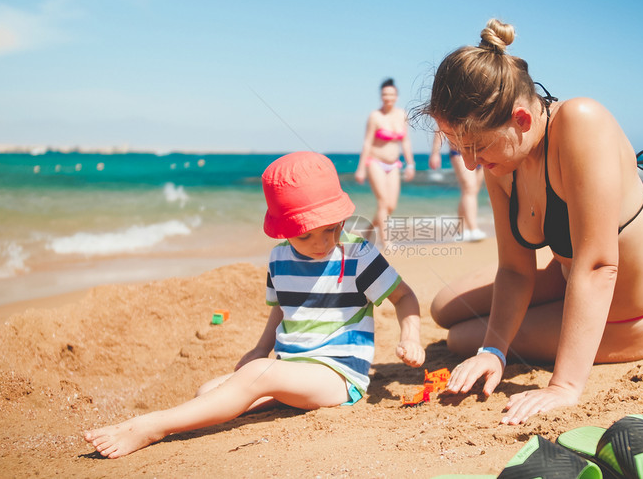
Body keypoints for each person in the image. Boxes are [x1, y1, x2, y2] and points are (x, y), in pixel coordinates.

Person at [84, 151, 425, 458]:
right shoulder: (279, 259)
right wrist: (260, 347)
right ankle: (266, 392)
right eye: (304, 234)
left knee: (257, 376)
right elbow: (282, 308)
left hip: (337, 376)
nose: (321, 243)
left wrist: (410, 336)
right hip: (292, 365)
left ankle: (154, 425)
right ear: (283, 230)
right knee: (212, 389)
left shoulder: (357, 256)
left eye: (331, 229)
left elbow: (404, 296)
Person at [419, 19, 643, 425]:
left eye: (476, 147)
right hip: (566, 276)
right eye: (457, 146)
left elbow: (598, 265)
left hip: (628, 317)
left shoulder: (582, 123)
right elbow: (515, 269)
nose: (468, 162)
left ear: (521, 119)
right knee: (445, 307)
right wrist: (495, 352)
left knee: (460, 337)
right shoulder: (501, 159)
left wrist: (563, 387)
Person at [355, 78, 415, 245]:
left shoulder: (402, 115)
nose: (388, 98)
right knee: (382, 202)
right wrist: (361, 169)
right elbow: (367, 142)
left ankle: (368, 230)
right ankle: (386, 242)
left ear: (396, 96)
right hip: (375, 162)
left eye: (391, 94)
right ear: (381, 96)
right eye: (384, 95)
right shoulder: (375, 116)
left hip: (394, 164)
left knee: (391, 205)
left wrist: (410, 164)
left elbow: (406, 141)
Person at [429, 130, 486, 242]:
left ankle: (461, 230)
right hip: (460, 151)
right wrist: (435, 153)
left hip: (481, 151)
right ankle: (473, 228)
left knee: (471, 192)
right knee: (469, 188)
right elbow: (441, 127)